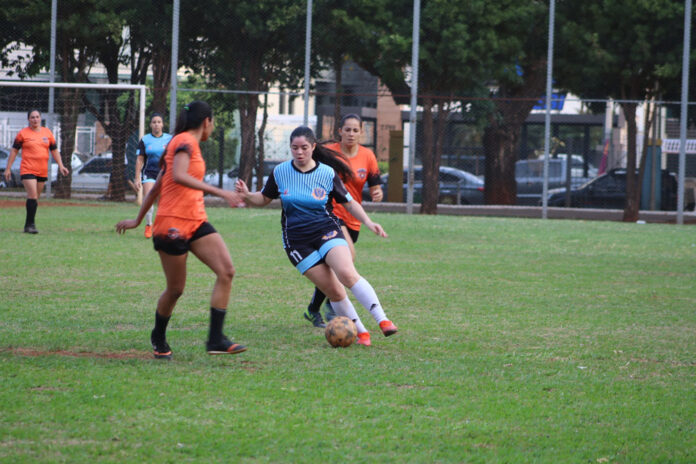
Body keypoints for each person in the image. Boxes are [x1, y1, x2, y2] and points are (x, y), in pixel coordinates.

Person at [235, 126, 397, 347]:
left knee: (347, 274)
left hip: (326, 230)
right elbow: (263, 199)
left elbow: (349, 202)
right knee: (334, 290)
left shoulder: (326, 173)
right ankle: (361, 332)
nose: (299, 152)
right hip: (297, 242)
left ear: (313, 147)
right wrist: (246, 195)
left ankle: (383, 320)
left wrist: (369, 222)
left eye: (304, 148)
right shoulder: (280, 172)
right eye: (294, 148)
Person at [115, 101, 247, 359]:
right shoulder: (184, 141)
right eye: (213, 123)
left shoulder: (184, 144)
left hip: (196, 221)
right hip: (172, 223)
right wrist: (221, 192)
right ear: (206, 121)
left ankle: (216, 338)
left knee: (226, 271)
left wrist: (138, 219)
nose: (212, 127)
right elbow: (178, 176)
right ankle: (158, 335)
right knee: (176, 289)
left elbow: (156, 187)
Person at [302, 114, 383, 327]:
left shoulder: (368, 156)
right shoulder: (330, 152)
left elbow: (375, 186)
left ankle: (312, 309)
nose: (351, 134)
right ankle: (333, 306)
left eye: (355, 130)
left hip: (353, 217)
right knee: (348, 258)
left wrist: (377, 194)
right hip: (330, 214)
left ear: (361, 132)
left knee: (336, 266)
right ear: (340, 131)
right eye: (347, 129)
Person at [4, 110, 69, 234]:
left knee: (35, 198)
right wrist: (8, 168)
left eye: (37, 117)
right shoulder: (23, 134)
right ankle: (30, 226)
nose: (35, 119)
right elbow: (14, 151)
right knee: (32, 195)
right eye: (32, 117)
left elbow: (54, 150)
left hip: (42, 170)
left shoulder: (47, 133)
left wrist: (61, 165)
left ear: (40, 118)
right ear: (28, 119)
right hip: (27, 168)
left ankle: (29, 224)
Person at [134, 113, 172, 238]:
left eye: (159, 122)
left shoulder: (169, 139)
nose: (156, 124)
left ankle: (162, 227)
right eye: (154, 122)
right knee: (149, 199)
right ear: (150, 125)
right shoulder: (145, 140)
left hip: (164, 174)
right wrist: (137, 178)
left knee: (163, 202)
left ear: (162, 124)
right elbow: (140, 159)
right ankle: (149, 225)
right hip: (149, 173)